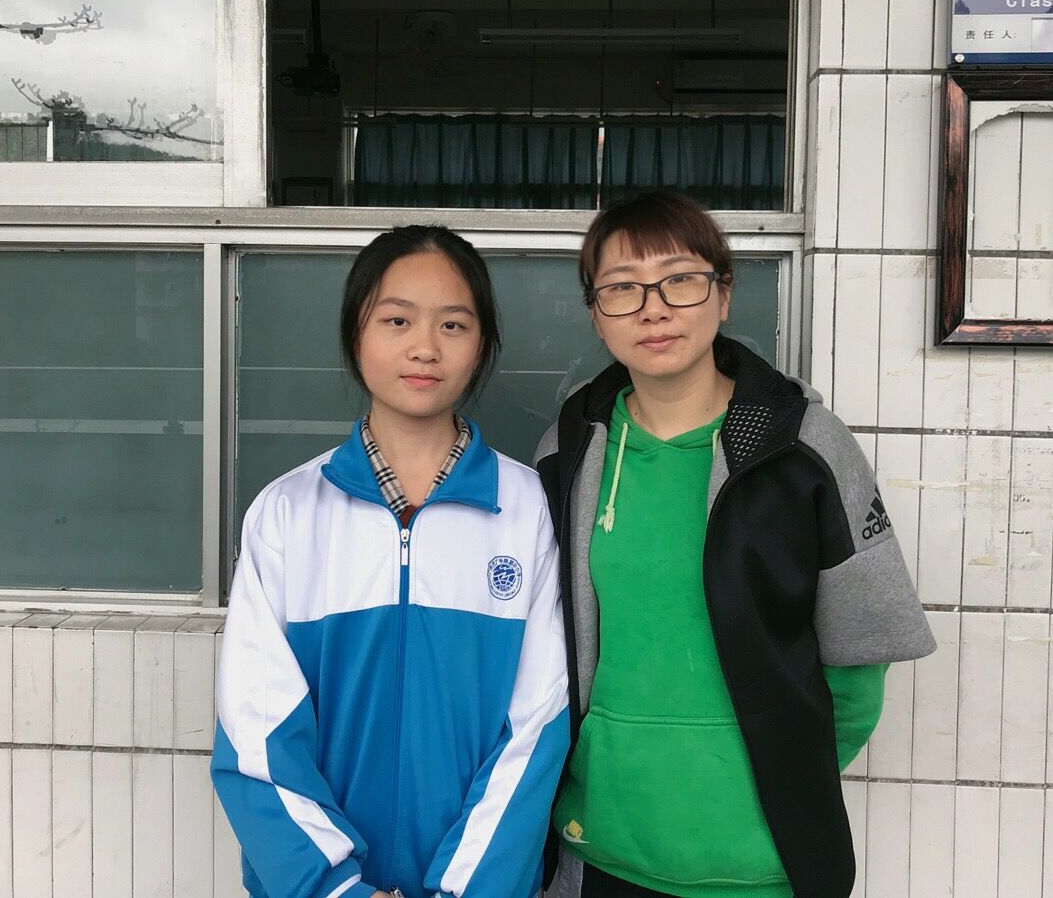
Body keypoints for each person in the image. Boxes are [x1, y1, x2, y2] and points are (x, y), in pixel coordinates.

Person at [535, 192, 935, 898]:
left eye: (680, 280)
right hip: (601, 846)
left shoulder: (803, 448)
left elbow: (858, 667)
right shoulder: (568, 450)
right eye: (623, 288)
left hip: (759, 861)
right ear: (596, 313)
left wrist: (776, 779)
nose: (654, 309)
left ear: (723, 295)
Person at [213, 225, 570, 898]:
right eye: (397, 320)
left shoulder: (526, 509)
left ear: (483, 345)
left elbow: (538, 726)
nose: (425, 347)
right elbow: (254, 733)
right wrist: (335, 889)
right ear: (356, 333)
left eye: (453, 325)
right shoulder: (287, 513)